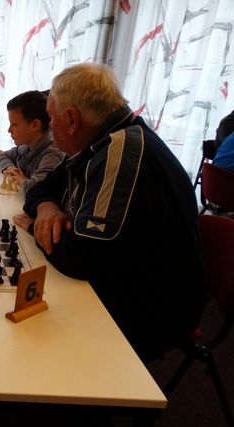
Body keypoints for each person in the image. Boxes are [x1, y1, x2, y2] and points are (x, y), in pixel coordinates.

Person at [13, 63, 205, 362]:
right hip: (118, 275)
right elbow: (43, 188)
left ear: (71, 119)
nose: (50, 127)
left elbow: (82, 258)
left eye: (51, 119)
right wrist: (47, 207)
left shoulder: (121, 150)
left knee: (27, 345)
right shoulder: (99, 140)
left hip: (147, 308)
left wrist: (34, 226)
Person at [0, 90, 64, 192]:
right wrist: (12, 169)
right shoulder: (27, 146)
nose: (9, 130)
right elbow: (4, 155)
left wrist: (22, 181)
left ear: (35, 125)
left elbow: (38, 190)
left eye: (14, 125)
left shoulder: (52, 155)